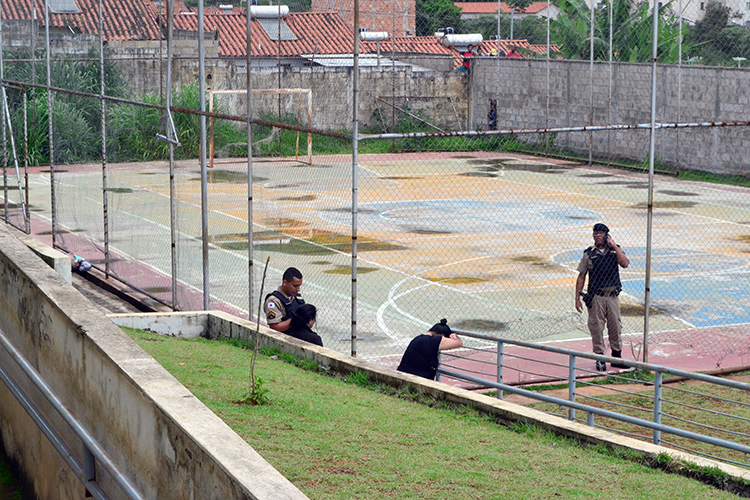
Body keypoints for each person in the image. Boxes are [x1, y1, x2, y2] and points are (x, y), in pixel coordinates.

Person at [575, 223, 630, 371]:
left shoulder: (614, 250)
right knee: (597, 327)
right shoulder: (589, 254)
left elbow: (625, 263)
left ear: (607, 235)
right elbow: (581, 276)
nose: (598, 236)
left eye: (601, 233)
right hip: (596, 297)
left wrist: (614, 246)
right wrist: (577, 298)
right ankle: (599, 357)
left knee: (615, 326)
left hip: (612, 296)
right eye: (596, 233)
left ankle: (616, 356)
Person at [397, 319, 463, 380]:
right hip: (414, 379)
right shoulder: (434, 340)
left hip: (405, 376)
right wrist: (453, 335)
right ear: (442, 336)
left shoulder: (420, 338)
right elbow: (459, 343)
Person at [264, 267, 305, 333]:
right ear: (285, 282)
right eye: (295, 286)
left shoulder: (297, 297)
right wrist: (295, 320)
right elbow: (275, 327)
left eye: (299, 286)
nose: (298, 289)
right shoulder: (273, 301)